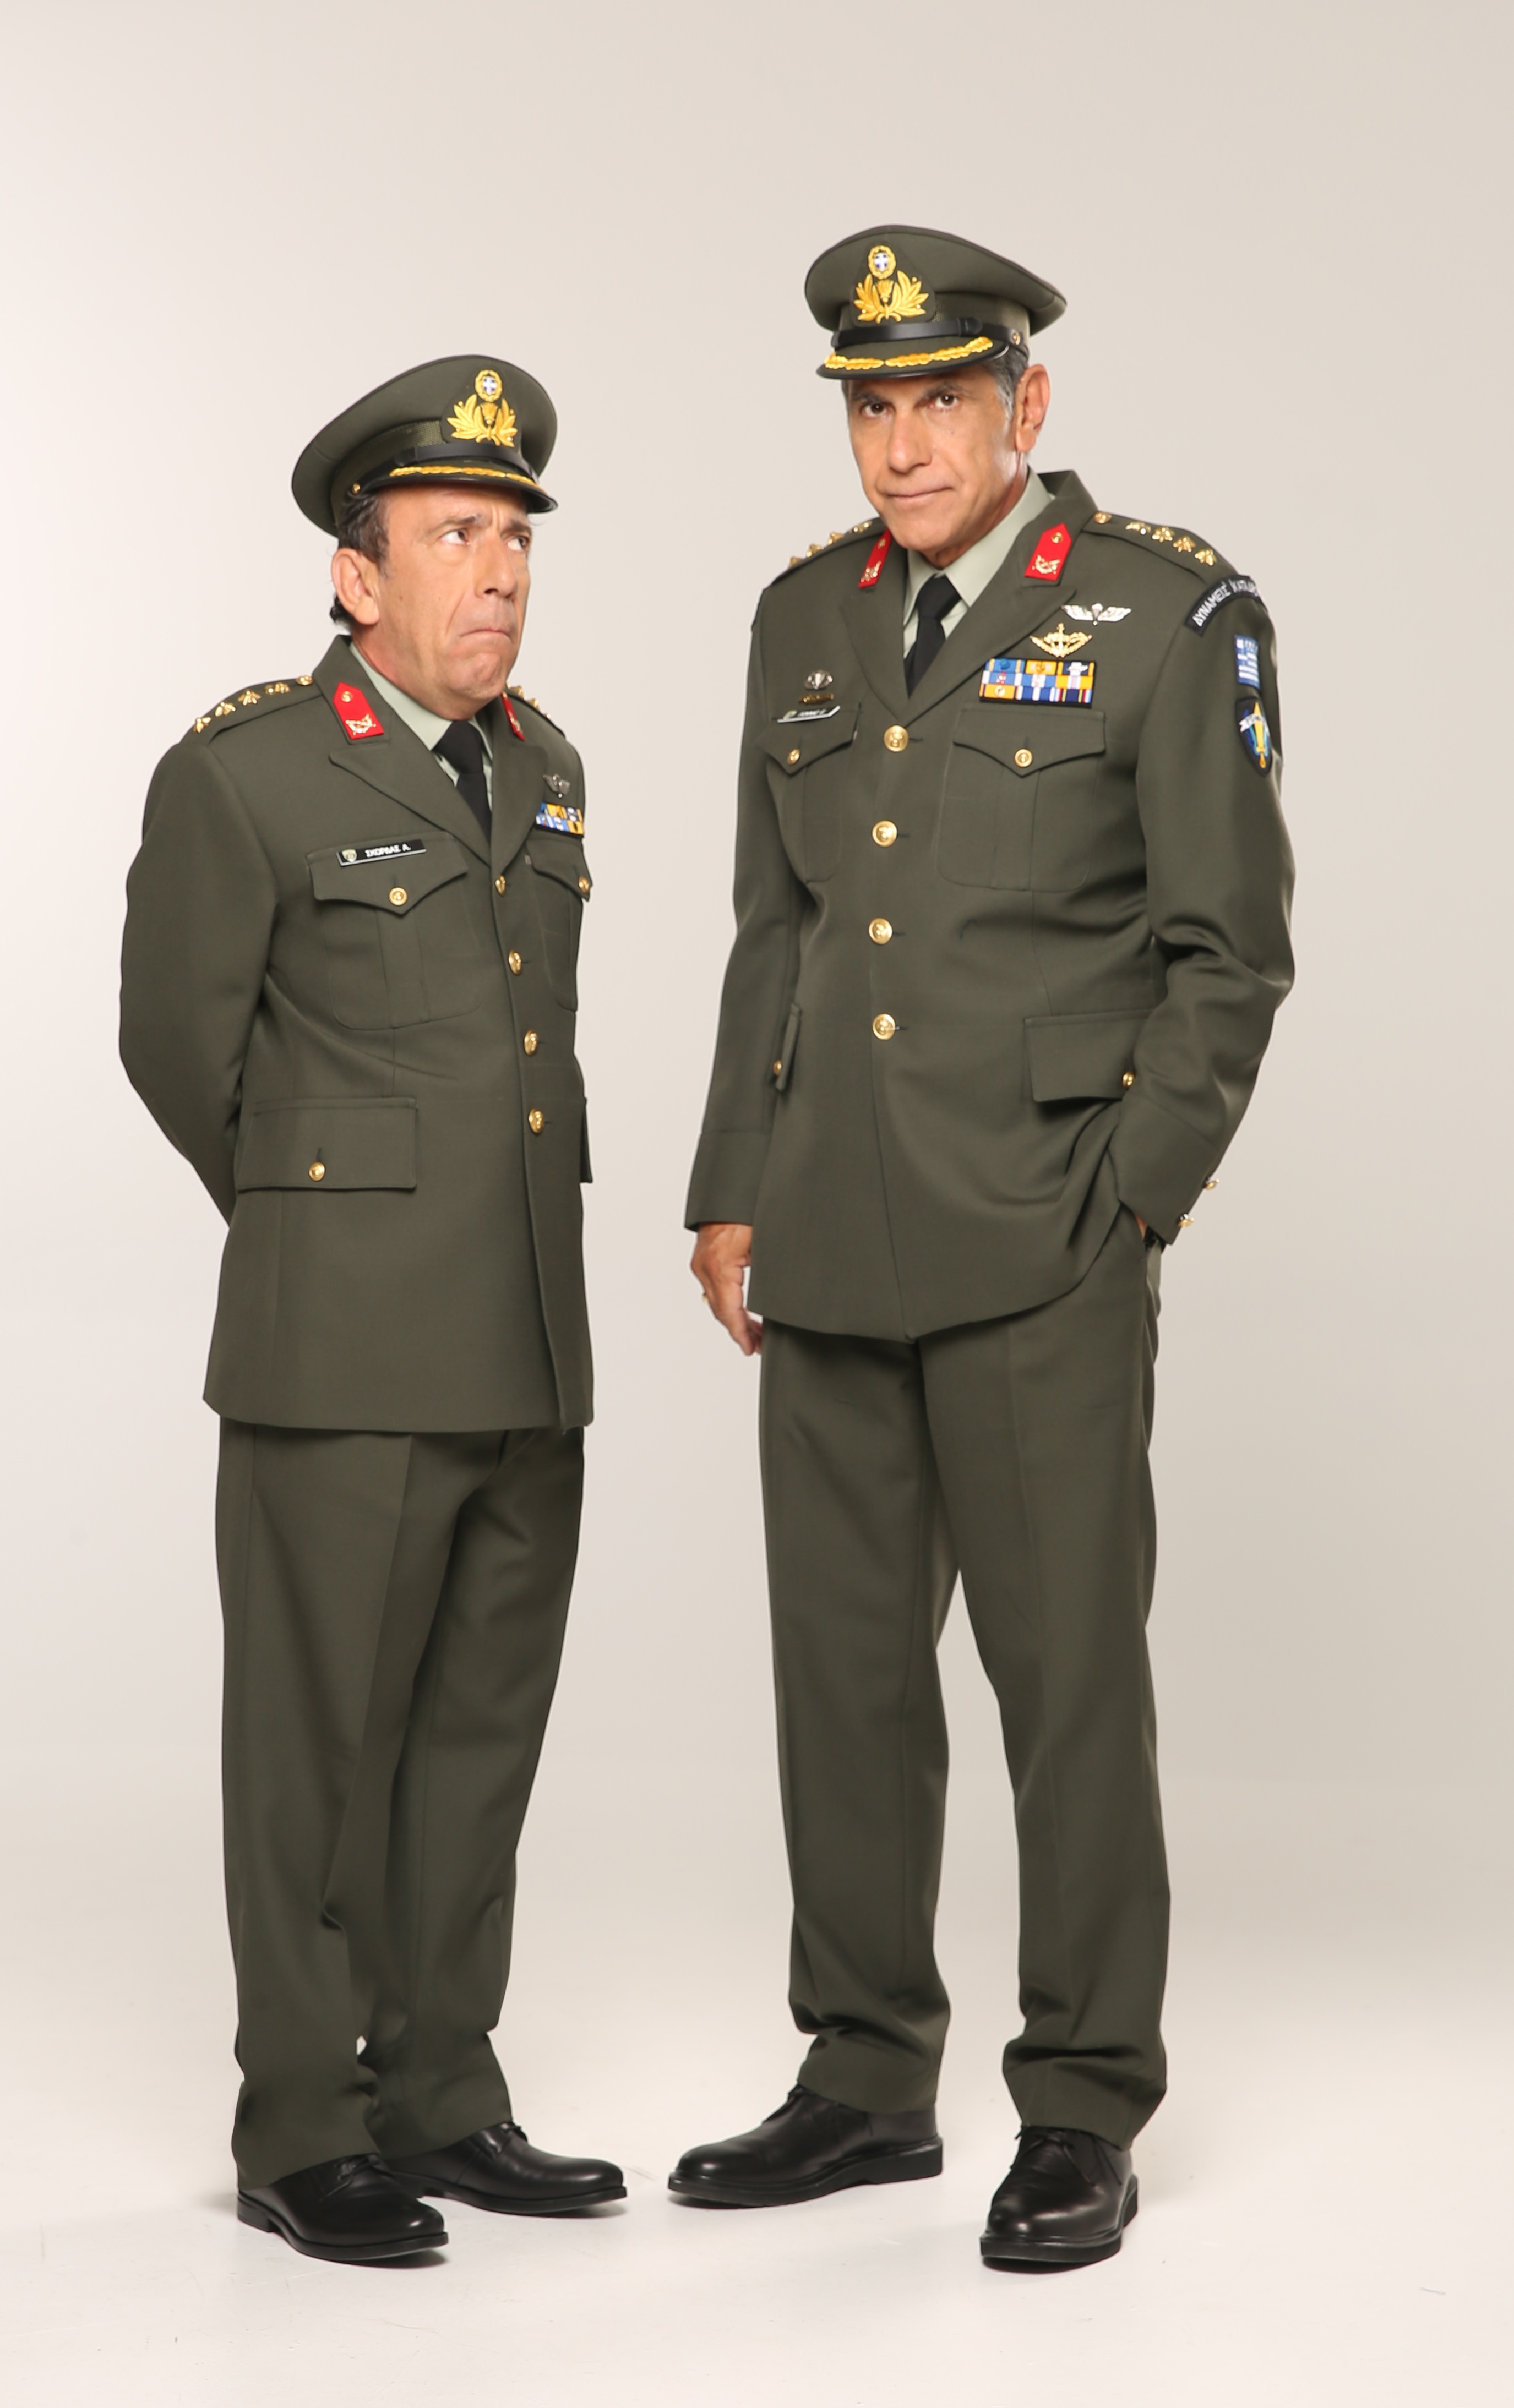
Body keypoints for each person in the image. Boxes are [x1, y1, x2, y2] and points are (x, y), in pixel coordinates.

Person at [674, 227, 1293, 2269]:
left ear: (1028, 404)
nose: (905, 444)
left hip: (1042, 1235)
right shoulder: (803, 617)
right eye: (874, 406)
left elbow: (1228, 953)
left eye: (943, 400)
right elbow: (775, 925)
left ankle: (1084, 2099)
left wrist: (1137, 1193)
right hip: (829, 1225)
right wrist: (733, 1180)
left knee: (1065, 1683)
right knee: (844, 1681)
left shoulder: (1163, 611)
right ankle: (864, 2078)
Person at [121, 355, 620, 2263]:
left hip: (527, 1339)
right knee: (317, 1753)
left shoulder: (546, 764)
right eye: (454, 536)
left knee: (478, 1744)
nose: (498, 573)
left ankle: (441, 2092)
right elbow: (183, 1050)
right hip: (341, 1347)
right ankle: (302, 2126)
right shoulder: (246, 771)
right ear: (359, 576)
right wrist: (331, 1219)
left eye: (514, 539)